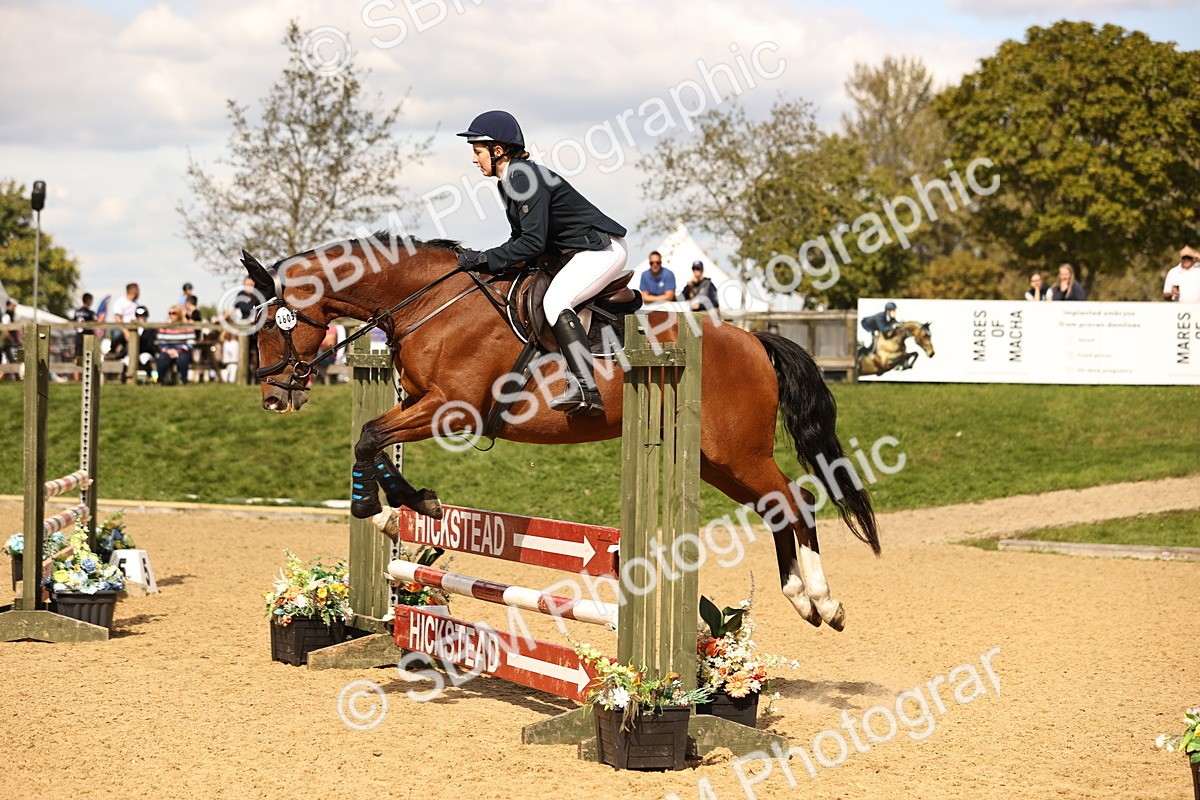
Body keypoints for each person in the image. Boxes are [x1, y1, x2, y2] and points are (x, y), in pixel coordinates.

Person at [454, 110, 628, 416]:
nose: (473, 159)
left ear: (498, 151)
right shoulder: (510, 180)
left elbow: (532, 243)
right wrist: (486, 260)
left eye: (477, 151)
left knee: (556, 300)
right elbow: (519, 239)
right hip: (575, 253)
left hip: (600, 250)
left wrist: (483, 258)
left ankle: (586, 388)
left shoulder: (523, 177)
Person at [156, 305, 195, 385]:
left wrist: (179, 350)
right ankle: (160, 381)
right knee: (162, 359)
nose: (171, 315)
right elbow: (161, 342)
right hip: (168, 349)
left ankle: (184, 380)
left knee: (182, 360)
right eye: (169, 313)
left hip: (183, 350)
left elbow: (191, 342)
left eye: (173, 313)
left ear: (179, 314)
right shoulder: (164, 327)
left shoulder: (187, 327)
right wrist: (168, 351)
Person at [109, 282, 140, 363]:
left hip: (133, 329)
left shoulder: (136, 304)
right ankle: (112, 350)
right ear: (134, 292)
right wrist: (125, 331)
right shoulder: (120, 301)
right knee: (117, 334)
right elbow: (117, 319)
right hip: (121, 328)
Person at [72, 293, 97, 362]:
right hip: (88, 337)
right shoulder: (91, 313)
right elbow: (95, 324)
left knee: (77, 356)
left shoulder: (77, 311)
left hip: (79, 336)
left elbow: (74, 324)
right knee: (89, 357)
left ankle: (76, 372)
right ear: (89, 300)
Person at [134, 306, 157, 383]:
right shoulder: (133, 329)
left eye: (143, 315)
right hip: (134, 353)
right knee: (127, 361)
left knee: (145, 358)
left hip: (146, 352)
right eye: (139, 315)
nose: (141, 317)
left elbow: (150, 345)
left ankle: (150, 379)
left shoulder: (150, 329)